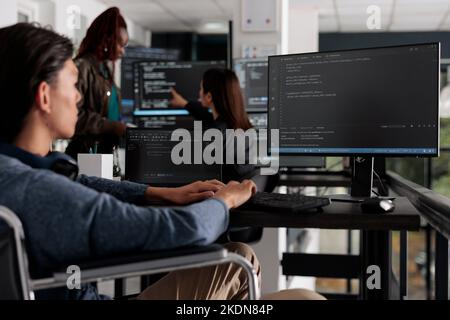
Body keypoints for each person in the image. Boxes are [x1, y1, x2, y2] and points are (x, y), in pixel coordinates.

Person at [0, 23, 324, 301]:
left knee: (239, 254)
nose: (80, 97)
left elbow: (76, 181)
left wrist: (159, 193)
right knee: (305, 297)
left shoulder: (15, 170)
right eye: (72, 84)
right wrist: (225, 200)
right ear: (44, 96)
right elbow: (177, 230)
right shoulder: (40, 190)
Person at [170, 69, 257, 183]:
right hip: (237, 195)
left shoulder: (213, 136)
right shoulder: (243, 128)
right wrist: (184, 103)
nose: (199, 92)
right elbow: (207, 117)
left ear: (209, 96)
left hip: (219, 195)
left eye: (201, 88)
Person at [65, 7, 128, 159]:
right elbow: (73, 116)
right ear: (106, 40)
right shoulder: (81, 67)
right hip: (86, 155)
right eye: (120, 44)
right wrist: (112, 126)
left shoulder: (105, 69)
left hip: (104, 154)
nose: (122, 52)